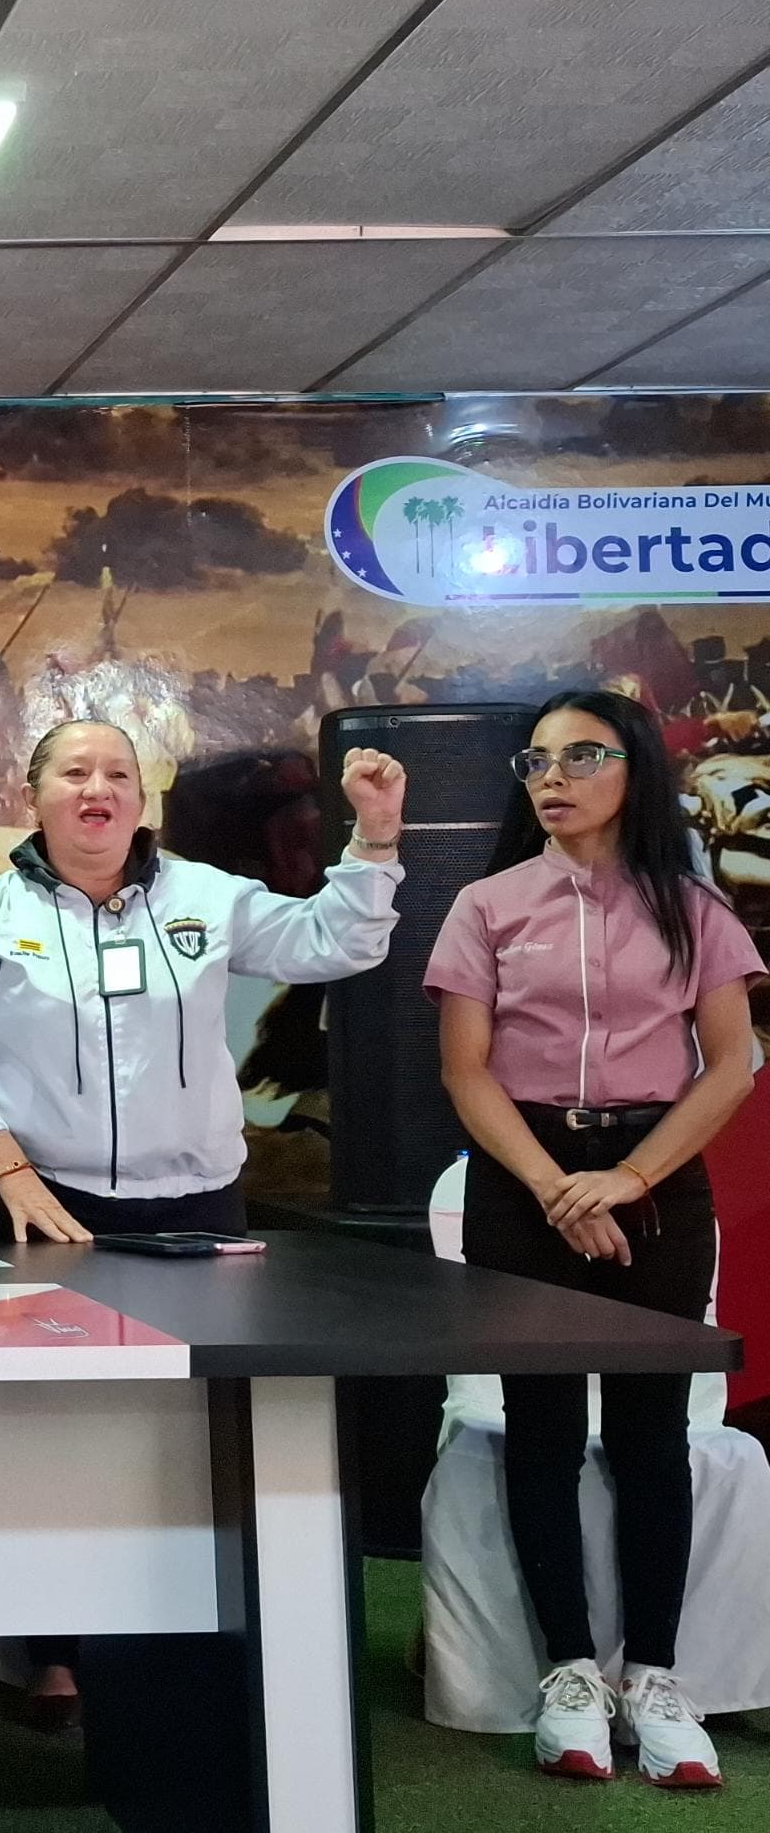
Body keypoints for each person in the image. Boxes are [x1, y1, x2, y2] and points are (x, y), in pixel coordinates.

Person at [0, 717, 405, 1724]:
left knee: (188, 1435)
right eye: (74, 772)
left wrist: (376, 837)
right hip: (46, 1211)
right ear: (34, 795)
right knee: (51, 1437)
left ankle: (188, 1641)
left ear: (143, 799)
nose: (98, 789)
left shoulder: (205, 897)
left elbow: (334, 941)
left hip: (195, 1209)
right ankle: (51, 1652)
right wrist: (6, 1165)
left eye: (118, 773)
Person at [427, 689, 759, 1790]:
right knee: (542, 1427)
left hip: (654, 1182)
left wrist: (626, 1178)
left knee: (653, 1431)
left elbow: (731, 1064)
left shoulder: (692, 908)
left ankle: (655, 1678)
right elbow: (465, 1070)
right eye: (535, 761)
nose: (552, 779)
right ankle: (569, 1673)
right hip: (521, 1180)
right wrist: (554, 1187)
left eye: (580, 756)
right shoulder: (486, 904)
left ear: (634, 770)